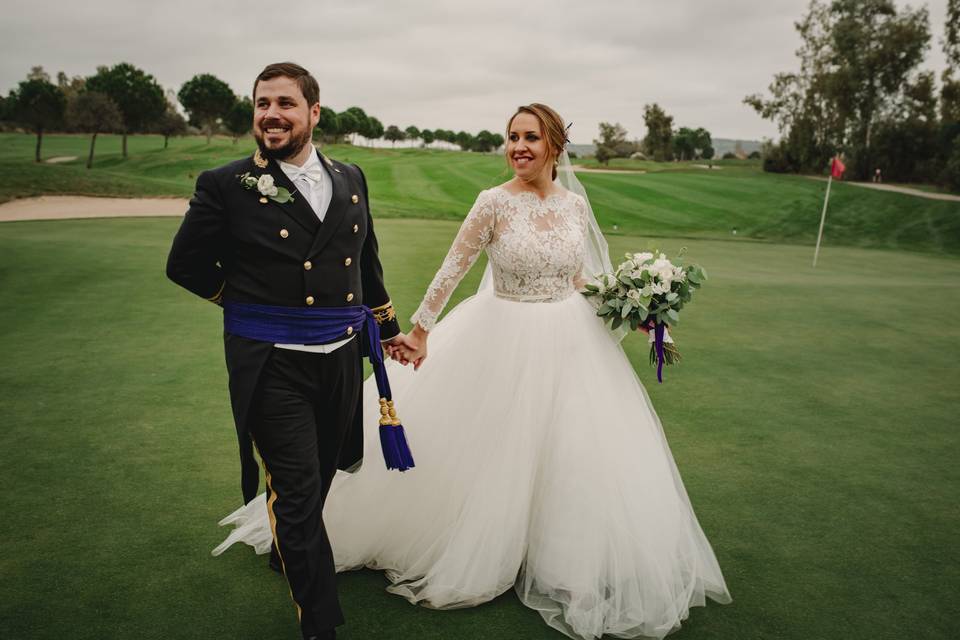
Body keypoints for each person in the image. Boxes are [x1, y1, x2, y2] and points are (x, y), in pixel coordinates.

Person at [216, 103, 731, 639]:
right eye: (512, 137)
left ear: (554, 143)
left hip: (572, 336)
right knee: (498, 448)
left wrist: (638, 311)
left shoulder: (576, 207)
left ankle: (559, 553)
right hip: (502, 332)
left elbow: (578, 278)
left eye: (530, 137)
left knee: (573, 448)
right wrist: (419, 330)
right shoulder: (493, 203)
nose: (518, 147)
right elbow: (452, 268)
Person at [167, 62, 408, 640]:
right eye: (261, 104)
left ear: (313, 113)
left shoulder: (351, 177)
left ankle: (286, 549)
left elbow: (365, 264)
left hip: (343, 358)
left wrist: (390, 330)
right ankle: (320, 625)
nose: (270, 114)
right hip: (271, 362)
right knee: (297, 491)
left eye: (284, 103)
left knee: (322, 475)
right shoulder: (224, 183)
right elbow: (184, 266)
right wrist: (246, 303)